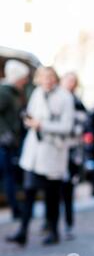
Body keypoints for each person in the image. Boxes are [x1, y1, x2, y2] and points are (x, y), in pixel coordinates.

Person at [6, 67, 74, 246]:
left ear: (56, 78)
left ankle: (53, 231)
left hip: (53, 154)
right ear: (38, 79)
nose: (47, 81)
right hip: (34, 154)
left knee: (51, 197)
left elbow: (67, 127)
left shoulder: (65, 97)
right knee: (28, 193)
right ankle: (23, 231)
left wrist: (41, 125)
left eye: (51, 77)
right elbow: (31, 116)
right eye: (44, 77)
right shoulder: (36, 93)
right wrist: (29, 121)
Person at [0, 60, 30, 220]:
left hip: (11, 142)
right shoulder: (5, 92)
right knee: (9, 176)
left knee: (11, 176)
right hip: (5, 144)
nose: (26, 81)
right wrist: (6, 134)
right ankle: (15, 209)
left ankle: (16, 207)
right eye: (24, 78)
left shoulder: (15, 93)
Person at [60, 72, 88, 239]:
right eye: (67, 80)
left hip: (72, 154)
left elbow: (83, 124)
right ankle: (50, 224)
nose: (70, 84)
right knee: (52, 190)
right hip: (55, 152)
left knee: (68, 190)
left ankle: (68, 225)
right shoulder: (54, 100)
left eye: (73, 81)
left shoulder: (77, 103)